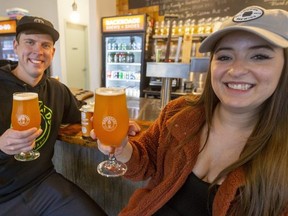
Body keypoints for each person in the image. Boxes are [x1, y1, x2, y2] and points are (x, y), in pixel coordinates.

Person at [93, 6, 288, 216]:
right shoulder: (179, 113)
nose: (237, 70)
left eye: (259, 56)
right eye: (224, 57)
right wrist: (123, 149)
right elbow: (146, 162)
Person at [0, 16, 107, 216]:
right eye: (30, 42)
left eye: (45, 45)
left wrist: (118, 122)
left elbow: (83, 114)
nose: (38, 51)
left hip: (43, 182)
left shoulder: (57, 90)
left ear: (53, 52)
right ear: (16, 46)